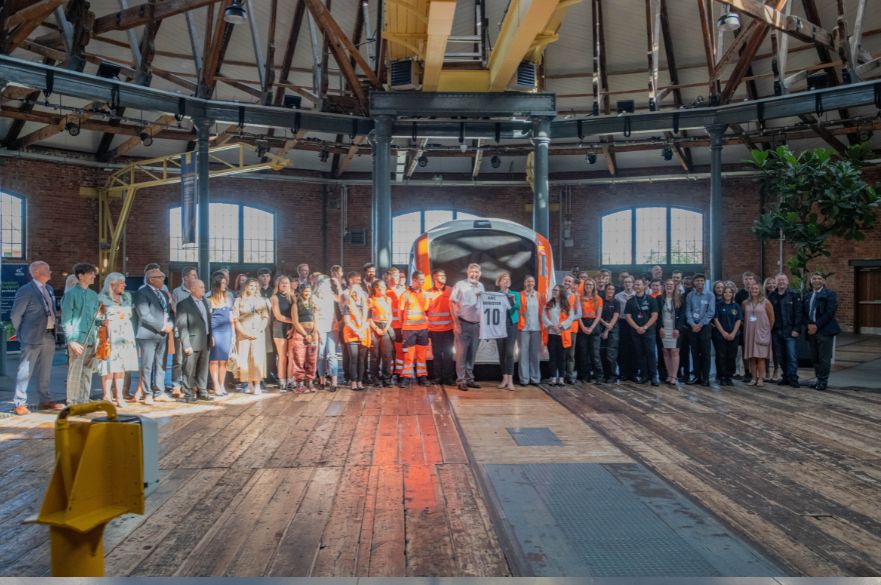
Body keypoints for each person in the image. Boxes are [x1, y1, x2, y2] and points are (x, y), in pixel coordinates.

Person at [10, 261, 64, 414]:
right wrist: (21, 332)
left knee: (45, 369)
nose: (51, 272)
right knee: (25, 369)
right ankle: (19, 402)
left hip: (48, 334)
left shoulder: (49, 289)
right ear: (37, 273)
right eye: (47, 270)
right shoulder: (25, 290)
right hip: (31, 336)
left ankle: (45, 399)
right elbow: (15, 314)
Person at [95, 272, 139, 408]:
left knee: (121, 367)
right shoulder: (101, 298)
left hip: (125, 335)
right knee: (109, 366)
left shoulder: (126, 297)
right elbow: (95, 318)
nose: (124, 285)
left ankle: (119, 396)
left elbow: (129, 314)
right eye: (121, 283)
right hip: (109, 335)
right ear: (112, 284)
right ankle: (107, 395)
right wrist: (102, 322)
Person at [61, 262, 100, 405]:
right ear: (81, 276)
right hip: (78, 339)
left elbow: (95, 317)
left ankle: (83, 401)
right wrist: (71, 340)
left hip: (91, 338)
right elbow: (66, 319)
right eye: (90, 274)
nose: (93, 276)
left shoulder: (93, 295)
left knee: (87, 372)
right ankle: (72, 403)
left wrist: (101, 323)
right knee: (75, 372)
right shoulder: (70, 295)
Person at [134, 267, 175, 404]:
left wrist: (170, 324)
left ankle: (159, 391)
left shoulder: (163, 293)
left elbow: (169, 312)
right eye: (160, 277)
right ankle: (147, 394)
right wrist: (161, 326)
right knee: (147, 365)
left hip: (163, 334)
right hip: (148, 335)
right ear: (151, 279)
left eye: (163, 277)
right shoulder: (142, 292)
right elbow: (144, 315)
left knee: (161, 364)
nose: (163, 279)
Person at [175, 279, 213, 403]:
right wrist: (186, 344)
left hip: (205, 340)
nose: (204, 289)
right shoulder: (183, 304)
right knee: (189, 369)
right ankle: (188, 393)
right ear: (193, 289)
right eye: (201, 287)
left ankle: (202, 391)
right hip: (192, 341)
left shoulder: (206, 302)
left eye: (204, 287)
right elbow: (182, 326)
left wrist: (210, 336)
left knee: (203, 368)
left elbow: (207, 322)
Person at [804, 272, 840, 391]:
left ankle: (823, 381)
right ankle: (818, 379)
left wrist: (816, 325)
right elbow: (804, 312)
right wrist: (808, 325)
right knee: (815, 357)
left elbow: (830, 312)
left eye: (820, 278)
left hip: (824, 330)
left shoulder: (830, 294)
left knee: (824, 358)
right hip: (811, 331)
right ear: (811, 281)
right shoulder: (807, 296)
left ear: (823, 281)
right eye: (814, 278)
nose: (817, 280)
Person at [451, 263, 484, 390]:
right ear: (467, 272)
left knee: (472, 354)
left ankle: (470, 379)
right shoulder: (460, 285)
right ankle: (460, 380)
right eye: (472, 271)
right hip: (463, 324)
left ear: (479, 274)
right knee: (461, 354)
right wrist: (456, 323)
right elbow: (452, 303)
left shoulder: (481, 286)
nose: (474, 274)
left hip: (477, 325)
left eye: (476, 272)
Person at [233, 278, 270, 394]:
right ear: (245, 287)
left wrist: (259, 330)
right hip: (244, 332)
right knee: (245, 359)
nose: (253, 288)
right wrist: (244, 333)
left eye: (255, 286)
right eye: (250, 286)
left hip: (258, 333)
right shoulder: (239, 300)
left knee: (257, 358)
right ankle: (249, 384)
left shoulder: (261, 301)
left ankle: (258, 384)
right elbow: (235, 319)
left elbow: (265, 317)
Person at [768, 273, 803, 388]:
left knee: (791, 356)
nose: (781, 282)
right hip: (776, 331)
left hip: (790, 331)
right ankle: (786, 377)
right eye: (779, 280)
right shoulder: (772, 296)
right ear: (776, 282)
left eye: (783, 280)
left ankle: (793, 378)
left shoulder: (794, 294)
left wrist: (797, 329)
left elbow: (798, 313)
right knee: (780, 355)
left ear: (787, 282)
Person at [625, 278, 659, 385]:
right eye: (635, 285)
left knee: (651, 353)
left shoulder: (651, 299)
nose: (637, 286)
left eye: (639, 284)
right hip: (636, 331)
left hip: (649, 331)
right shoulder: (630, 301)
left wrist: (644, 327)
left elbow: (655, 315)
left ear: (644, 286)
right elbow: (628, 316)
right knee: (640, 354)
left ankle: (653, 376)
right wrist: (637, 328)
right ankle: (644, 376)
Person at [399, 270, 430, 388]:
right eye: (421, 280)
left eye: (423, 280)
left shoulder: (425, 294)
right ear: (414, 280)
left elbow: (427, 310)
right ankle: (406, 378)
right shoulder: (405, 295)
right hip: (409, 330)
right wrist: (404, 327)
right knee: (408, 354)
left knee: (422, 355)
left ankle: (422, 377)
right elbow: (400, 312)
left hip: (422, 329)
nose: (422, 282)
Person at [170, 266, 198, 397]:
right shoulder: (177, 292)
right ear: (185, 277)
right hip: (181, 330)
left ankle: (189, 384)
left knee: (191, 360)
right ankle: (176, 385)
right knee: (179, 360)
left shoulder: (196, 291)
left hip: (194, 331)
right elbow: (175, 309)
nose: (195, 277)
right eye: (193, 275)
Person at [426, 268, 455, 385]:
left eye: (444, 275)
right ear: (434, 278)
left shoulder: (451, 291)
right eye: (440, 275)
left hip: (448, 329)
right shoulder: (428, 292)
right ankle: (437, 378)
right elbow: (425, 311)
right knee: (436, 355)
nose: (443, 277)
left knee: (448, 354)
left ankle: (448, 378)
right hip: (434, 330)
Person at [685, 274, 715, 386]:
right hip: (692, 327)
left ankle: (706, 378)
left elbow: (710, 312)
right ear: (694, 283)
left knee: (706, 353)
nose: (700, 282)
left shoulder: (710, 295)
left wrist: (700, 324)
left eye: (702, 280)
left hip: (705, 327)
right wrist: (693, 324)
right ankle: (696, 376)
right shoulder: (690, 296)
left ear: (704, 282)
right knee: (694, 352)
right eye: (697, 280)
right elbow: (688, 311)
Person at [743, 282, 775, 387]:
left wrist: (767, 330)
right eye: (752, 288)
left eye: (756, 289)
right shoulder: (745, 303)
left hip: (762, 333)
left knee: (761, 357)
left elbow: (772, 318)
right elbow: (742, 318)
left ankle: (761, 378)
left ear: (760, 290)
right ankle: (753, 378)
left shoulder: (766, 302)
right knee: (752, 357)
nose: (754, 290)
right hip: (750, 333)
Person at [342, 272, 370, 391]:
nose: (355, 294)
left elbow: (368, 319)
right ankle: (353, 381)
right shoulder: (347, 305)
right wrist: (357, 331)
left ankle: (360, 381)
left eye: (357, 292)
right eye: (353, 292)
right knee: (353, 358)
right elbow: (347, 321)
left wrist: (362, 330)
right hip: (351, 333)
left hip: (363, 333)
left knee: (362, 359)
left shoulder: (365, 305)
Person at [208, 271, 234, 397]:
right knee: (214, 360)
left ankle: (222, 384)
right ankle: (215, 385)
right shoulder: (209, 298)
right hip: (215, 331)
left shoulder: (228, 297)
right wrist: (210, 335)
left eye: (225, 282)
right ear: (217, 284)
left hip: (227, 331)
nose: (225, 285)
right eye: (222, 283)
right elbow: (208, 319)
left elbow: (230, 317)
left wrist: (233, 334)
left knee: (223, 360)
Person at [289, 283, 319, 391]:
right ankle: (299, 383)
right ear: (300, 292)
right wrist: (306, 335)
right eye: (305, 291)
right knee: (299, 359)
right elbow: (295, 322)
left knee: (312, 359)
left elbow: (315, 320)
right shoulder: (295, 305)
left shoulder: (312, 304)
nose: (307, 293)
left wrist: (314, 332)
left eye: (309, 291)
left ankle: (309, 381)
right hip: (300, 334)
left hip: (312, 333)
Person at [542, 285, 573, 387]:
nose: (554, 291)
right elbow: (543, 317)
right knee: (553, 357)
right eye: (553, 289)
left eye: (556, 290)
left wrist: (561, 326)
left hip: (562, 334)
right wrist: (551, 325)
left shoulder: (567, 305)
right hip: (551, 334)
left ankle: (561, 378)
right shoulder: (548, 304)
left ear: (561, 292)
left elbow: (570, 318)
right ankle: (553, 378)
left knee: (562, 358)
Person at [713, 284, 743, 386]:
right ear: (722, 294)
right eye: (725, 292)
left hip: (734, 336)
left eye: (730, 292)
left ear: (733, 294)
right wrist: (723, 333)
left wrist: (733, 333)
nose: (727, 294)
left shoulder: (736, 306)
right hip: (720, 336)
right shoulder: (718, 305)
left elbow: (739, 320)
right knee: (722, 356)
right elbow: (716, 320)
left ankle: (729, 376)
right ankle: (722, 376)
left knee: (731, 356)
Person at [314, 275, 340, 391]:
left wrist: (338, 285)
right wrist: (318, 331)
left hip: (332, 327)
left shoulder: (330, 295)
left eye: (328, 284)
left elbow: (341, 299)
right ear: (319, 285)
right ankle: (322, 380)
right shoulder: (314, 297)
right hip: (320, 327)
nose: (327, 286)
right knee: (320, 355)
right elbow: (314, 316)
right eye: (325, 284)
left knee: (332, 354)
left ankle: (334, 382)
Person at [517, 275, 544, 386]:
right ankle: (524, 379)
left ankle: (535, 378)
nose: (530, 283)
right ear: (524, 283)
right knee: (523, 355)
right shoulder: (519, 295)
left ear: (534, 283)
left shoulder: (539, 295)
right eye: (528, 281)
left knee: (535, 355)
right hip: (523, 329)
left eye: (532, 281)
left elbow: (543, 312)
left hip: (536, 329)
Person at [495, 272, 520, 391]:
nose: (507, 281)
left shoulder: (514, 294)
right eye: (504, 279)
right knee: (501, 353)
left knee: (509, 353)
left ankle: (510, 381)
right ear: (499, 282)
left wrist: (514, 300)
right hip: (499, 326)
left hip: (511, 325)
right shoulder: (496, 295)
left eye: (508, 279)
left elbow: (518, 306)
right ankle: (504, 379)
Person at [658, 278, 686, 385]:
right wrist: (660, 327)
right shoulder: (660, 298)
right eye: (667, 284)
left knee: (674, 351)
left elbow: (683, 315)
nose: (669, 286)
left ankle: (674, 376)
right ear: (664, 286)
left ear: (674, 286)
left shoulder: (680, 298)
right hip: (664, 328)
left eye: (671, 284)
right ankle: (669, 375)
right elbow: (658, 315)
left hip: (675, 329)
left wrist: (678, 328)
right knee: (665, 351)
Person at [576, 277, 603, 384]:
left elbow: (598, 315)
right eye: (587, 284)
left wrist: (591, 328)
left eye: (590, 285)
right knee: (583, 353)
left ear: (594, 286)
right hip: (582, 324)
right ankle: (584, 376)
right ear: (584, 286)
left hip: (594, 326)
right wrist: (583, 327)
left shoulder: (598, 299)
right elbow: (577, 315)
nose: (588, 286)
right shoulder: (579, 298)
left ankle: (599, 376)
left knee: (595, 353)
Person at [368, 279, 394, 387]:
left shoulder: (388, 299)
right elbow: (368, 317)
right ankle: (375, 378)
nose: (384, 289)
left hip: (385, 327)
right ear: (376, 288)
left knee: (387, 355)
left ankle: (387, 379)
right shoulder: (370, 300)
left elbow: (390, 315)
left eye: (384, 287)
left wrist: (386, 328)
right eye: (382, 287)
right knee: (375, 355)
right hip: (375, 328)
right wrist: (376, 329)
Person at [270, 276, 295, 391]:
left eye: (287, 283)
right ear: (278, 285)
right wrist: (294, 321)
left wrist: (294, 325)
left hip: (292, 328)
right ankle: (282, 381)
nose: (285, 285)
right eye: (282, 283)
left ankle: (291, 380)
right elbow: (278, 316)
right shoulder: (274, 297)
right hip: (279, 327)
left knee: (292, 356)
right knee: (282, 356)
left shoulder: (293, 297)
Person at [735, 271, 757, 383]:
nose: (749, 281)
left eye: (750, 279)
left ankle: (757, 373)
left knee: (757, 350)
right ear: (743, 281)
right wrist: (743, 325)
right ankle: (747, 372)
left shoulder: (758, 292)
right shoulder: (739, 295)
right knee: (745, 351)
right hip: (744, 327)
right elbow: (738, 312)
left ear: (754, 280)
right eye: (746, 279)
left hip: (758, 327)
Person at [383, 268, 404, 384]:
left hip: (400, 327)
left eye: (397, 276)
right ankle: (388, 375)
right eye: (393, 276)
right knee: (388, 353)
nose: (395, 278)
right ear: (387, 277)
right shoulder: (383, 292)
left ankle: (400, 374)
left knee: (400, 351)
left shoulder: (403, 291)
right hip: (388, 326)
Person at [257, 267, 276, 386]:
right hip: (258, 324)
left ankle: (270, 373)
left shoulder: (273, 291)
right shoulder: (256, 290)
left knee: (271, 351)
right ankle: (260, 375)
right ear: (258, 277)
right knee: (259, 350)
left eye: (267, 276)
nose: (265, 278)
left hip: (272, 324)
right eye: (263, 276)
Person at [614, 275, 636, 382]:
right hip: (622, 323)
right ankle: (623, 373)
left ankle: (633, 373)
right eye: (626, 282)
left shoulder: (636, 295)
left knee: (634, 348)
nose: (627, 284)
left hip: (634, 323)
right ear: (623, 284)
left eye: (629, 282)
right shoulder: (618, 296)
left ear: (633, 283)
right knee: (623, 349)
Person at [561, 274, 581, 384]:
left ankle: (569, 376)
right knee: (561, 353)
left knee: (570, 354)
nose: (567, 283)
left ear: (572, 283)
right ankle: (560, 376)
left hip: (572, 329)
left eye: (569, 281)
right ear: (563, 281)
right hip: (560, 329)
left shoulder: (575, 296)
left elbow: (579, 314)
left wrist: (568, 320)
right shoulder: (557, 295)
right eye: (566, 281)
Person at [599, 283, 620, 383]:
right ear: (605, 290)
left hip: (613, 328)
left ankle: (612, 375)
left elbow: (615, 317)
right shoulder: (600, 301)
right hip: (600, 327)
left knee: (611, 353)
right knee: (601, 353)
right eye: (609, 289)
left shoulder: (616, 302)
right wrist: (604, 324)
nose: (610, 291)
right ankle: (604, 375)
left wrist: (607, 329)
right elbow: (597, 315)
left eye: (612, 289)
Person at [762, 276, 780, 381]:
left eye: (773, 283)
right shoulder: (762, 297)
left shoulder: (779, 295)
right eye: (769, 283)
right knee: (765, 349)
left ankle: (776, 369)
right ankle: (767, 370)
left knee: (775, 349)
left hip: (776, 327)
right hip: (764, 327)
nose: (771, 285)